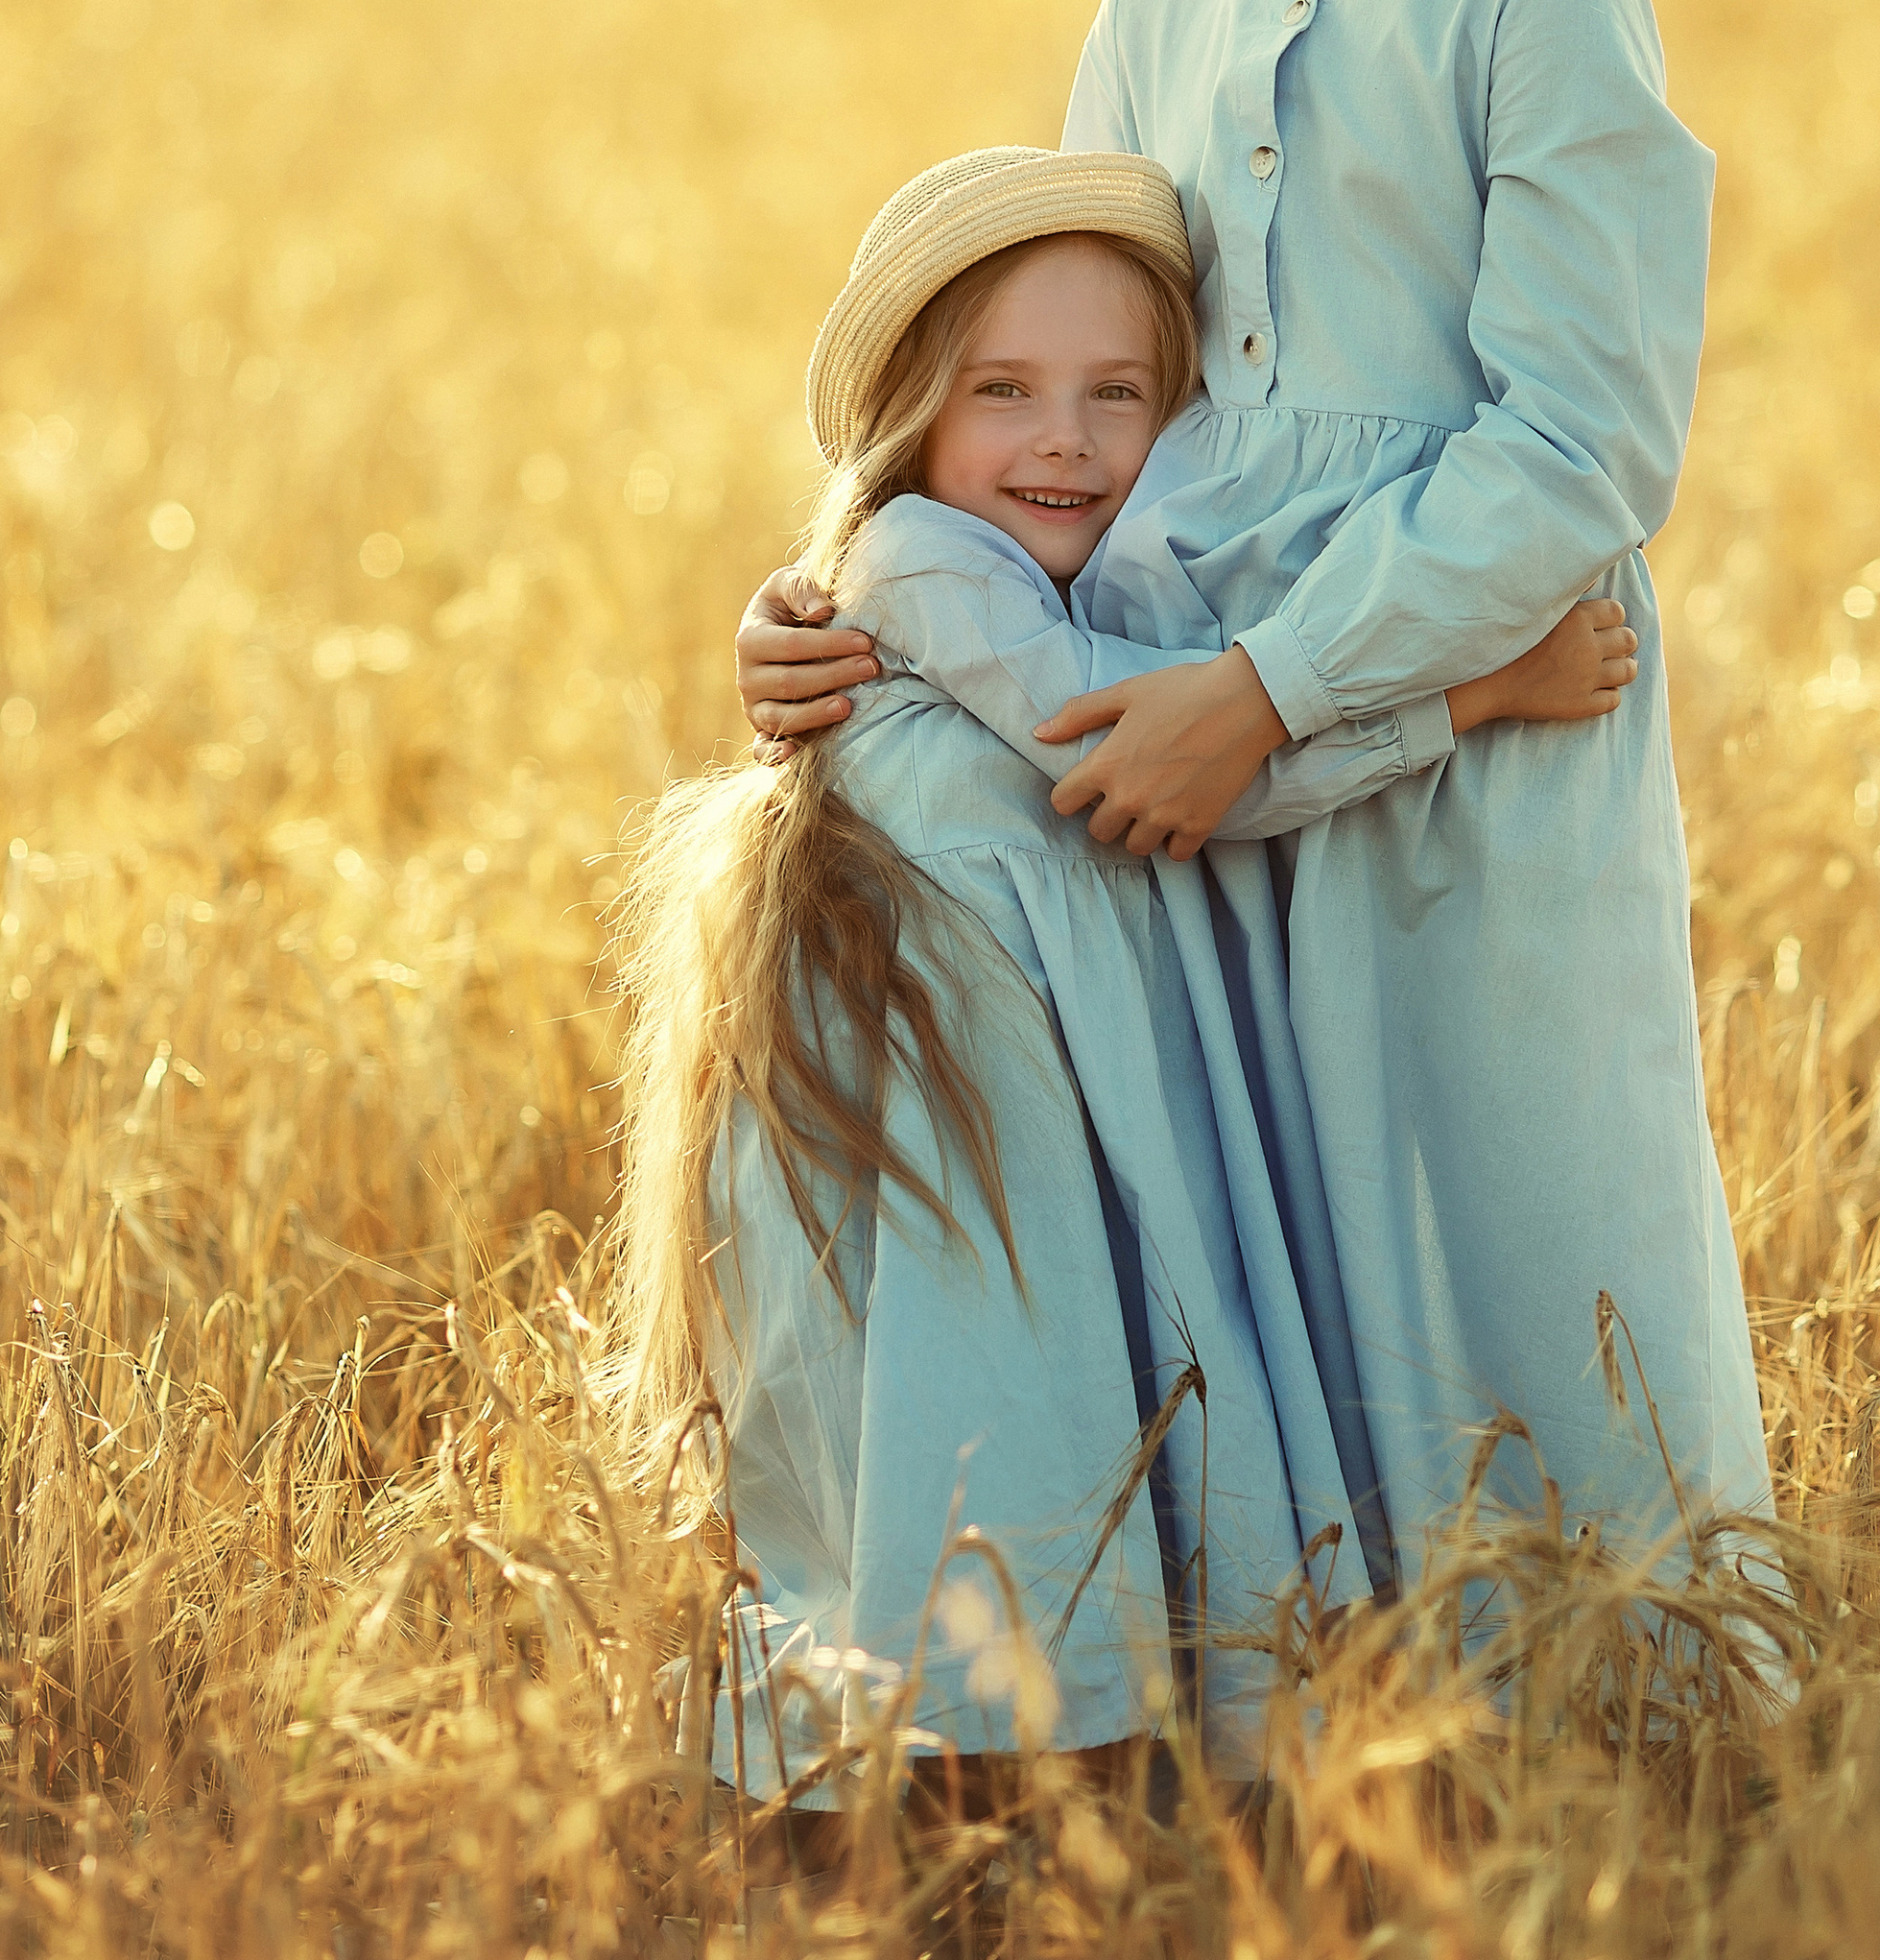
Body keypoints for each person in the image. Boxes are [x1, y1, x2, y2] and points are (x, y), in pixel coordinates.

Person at [737, 0, 1774, 1588]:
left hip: (1452, 710)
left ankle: (1618, 1716)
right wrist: (841, 601)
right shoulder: (1154, 5)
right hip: (1190, 745)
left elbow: (1581, 441)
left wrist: (1296, 686)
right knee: (1255, 1217)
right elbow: (1060, 408)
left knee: (1502, 1213)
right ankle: (1299, 1701)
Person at [607, 145, 1635, 1817]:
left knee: (1014, 1443)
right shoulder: (924, 564)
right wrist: (1468, 693)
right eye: (1003, 389)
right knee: (962, 1448)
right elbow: (1160, 747)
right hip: (937, 1094)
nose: (1067, 440)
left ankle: (1019, 1818)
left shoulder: (1005, 572)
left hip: (992, 1086)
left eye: (1119, 393)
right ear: (914, 420)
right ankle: (948, 1819)